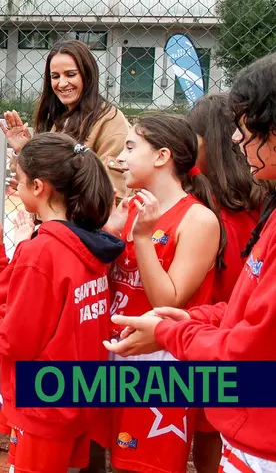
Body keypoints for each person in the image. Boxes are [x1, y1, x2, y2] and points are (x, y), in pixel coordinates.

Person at [106, 52, 276, 472]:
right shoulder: (135, 207)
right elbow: (246, 310)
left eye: (246, 127)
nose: (238, 140)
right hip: (152, 345)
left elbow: (238, 335)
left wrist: (171, 331)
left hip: (188, 366)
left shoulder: (199, 217)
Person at [0, 133, 123, 473]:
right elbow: (15, 299)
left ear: (40, 187)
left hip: (45, 403)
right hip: (78, 397)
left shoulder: (42, 251)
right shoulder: (89, 243)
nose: (17, 188)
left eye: (21, 181)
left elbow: (14, 339)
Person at [104, 113, 223, 473]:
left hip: (161, 360)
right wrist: (108, 232)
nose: (120, 158)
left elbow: (168, 301)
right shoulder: (129, 209)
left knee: (145, 466)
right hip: (116, 348)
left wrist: (142, 237)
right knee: (116, 459)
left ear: (161, 156)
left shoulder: (198, 219)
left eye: (130, 147)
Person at [185, 93, 265, 473]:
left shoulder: (204, 206)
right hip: (239, 331)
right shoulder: (258, 195)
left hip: (217, 333)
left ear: (207, 141)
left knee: (208, 424)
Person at [1, 39, 129, 199]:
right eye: (55, 76)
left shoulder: (110, 121)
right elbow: (35, 182)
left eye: (71, 74)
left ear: (87, 74)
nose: (62, 83)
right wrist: (23, 150)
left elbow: (111, 192)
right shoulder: (57, 120)